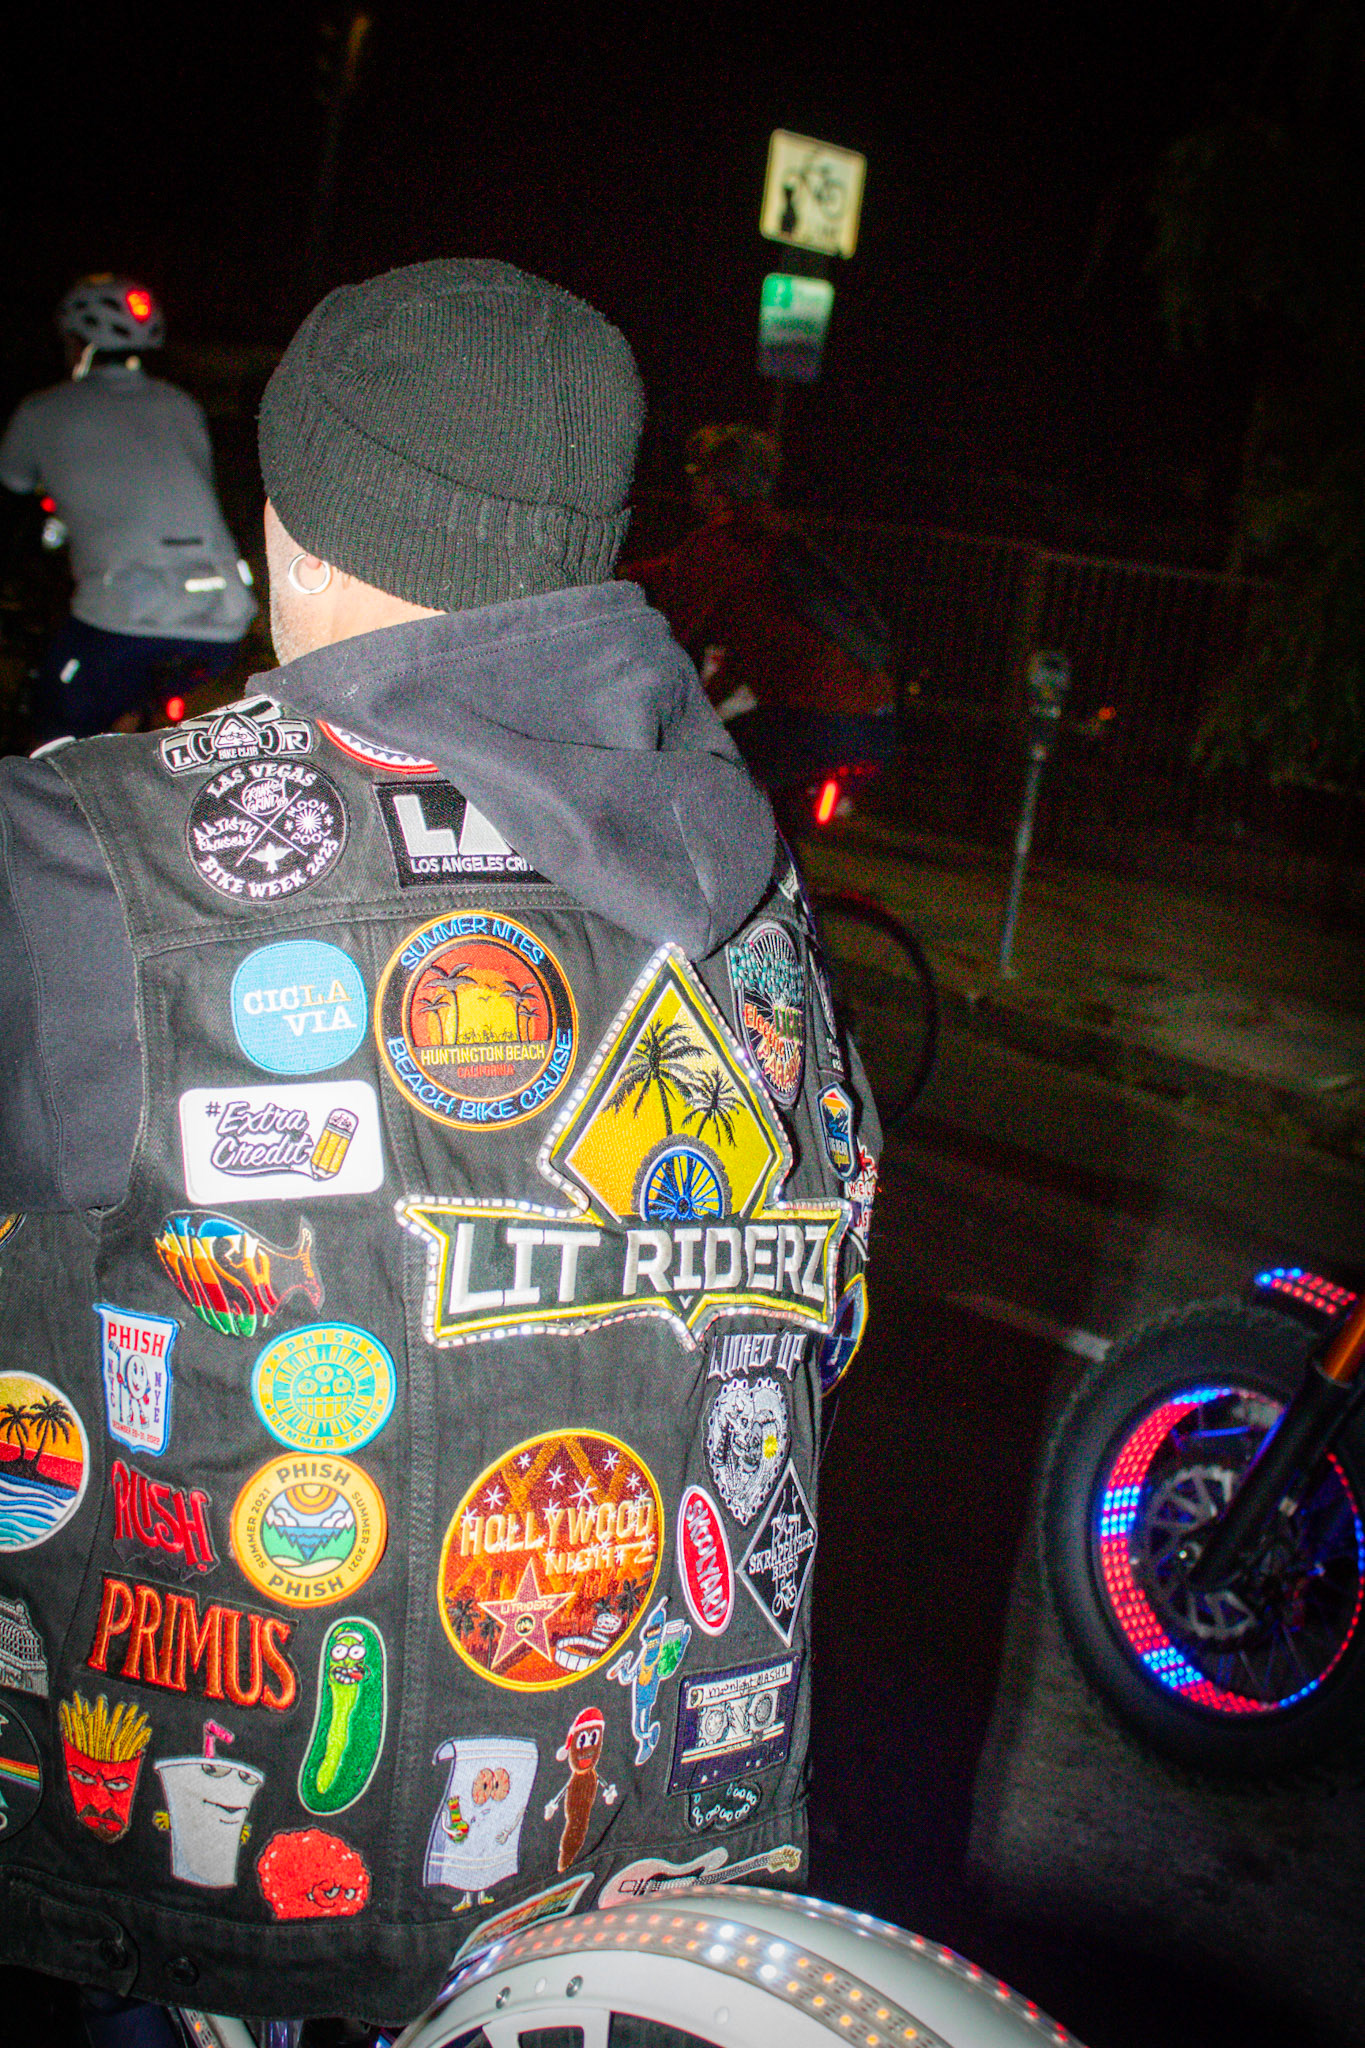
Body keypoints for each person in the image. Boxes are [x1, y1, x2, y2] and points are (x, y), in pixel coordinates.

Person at [0, 261, 878, 2032]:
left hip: (214, 1910)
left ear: (292, 528)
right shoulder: (751, 879)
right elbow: (830, 1304)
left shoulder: (90, 846)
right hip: (633, 1898)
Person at [0, 274, 257, 741]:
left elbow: (13, 487)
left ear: (76, 343)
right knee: (135, 710)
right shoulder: (180, 404)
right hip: (225, 618)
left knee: (53, 739)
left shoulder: (43, 410)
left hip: (123, 621)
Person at [624, 421, 897, 806]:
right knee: (749, 793)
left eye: (695, 472)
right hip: (875, 722)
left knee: (686, 782)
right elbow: (751, 654)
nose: (691, 484)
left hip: (814, 721)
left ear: (714, 481)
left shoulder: (723, 544)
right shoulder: (780, 535)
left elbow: (669, 637)